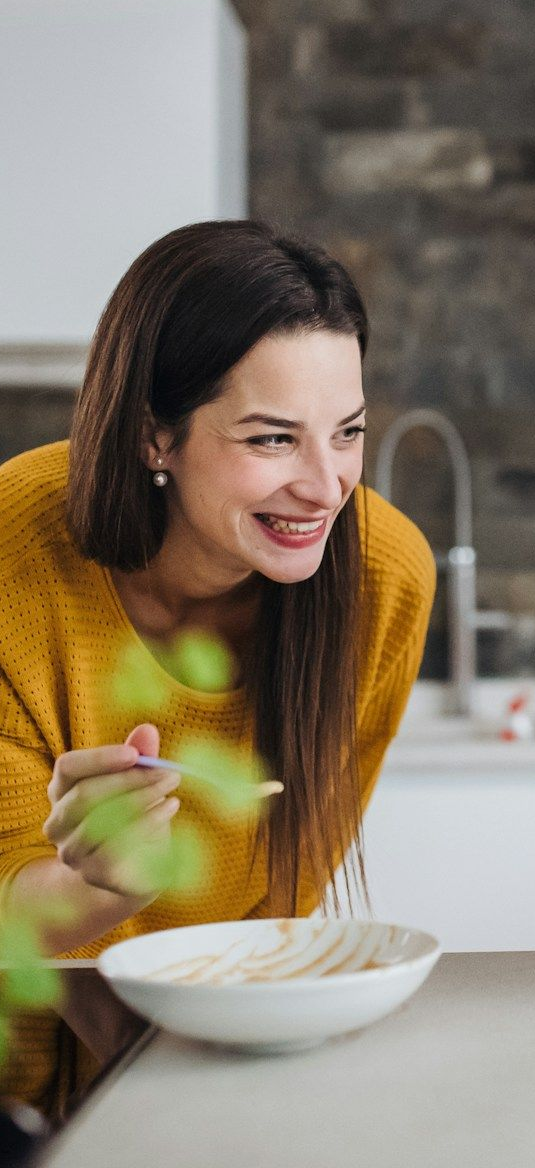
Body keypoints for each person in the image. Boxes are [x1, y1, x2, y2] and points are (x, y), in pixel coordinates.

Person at [0, 221, 435, 1111]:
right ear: (155, 437)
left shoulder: (385, 578)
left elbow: (280, 906)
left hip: (204, 1063)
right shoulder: (12, 554)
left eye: (346, 432)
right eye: (272, 440)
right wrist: (96, 880)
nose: (326, 487)